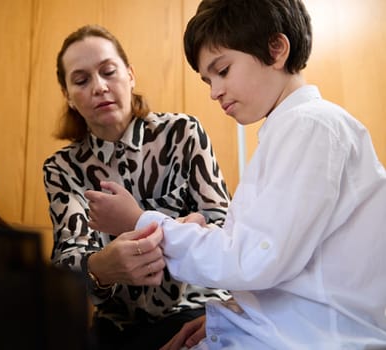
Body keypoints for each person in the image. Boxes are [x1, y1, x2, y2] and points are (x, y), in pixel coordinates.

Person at [85, 1, 386, 349]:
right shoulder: (292, 131)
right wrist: (229, 311)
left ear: (276, 50)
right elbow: (279, 260)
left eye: (223, 70)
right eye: (207, 80)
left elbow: (254, 259)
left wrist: (141, 221)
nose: (214, 92)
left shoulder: (312, 127)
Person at [43, 24, 231, 350]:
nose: (99, 87)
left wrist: (174, 229)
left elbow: (225, 225)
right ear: (68, 96)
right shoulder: (62, 169)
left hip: (196, 310)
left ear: (130, 75)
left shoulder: (182, 134)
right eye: (81, 80)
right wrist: (101, 267)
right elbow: (66, 265)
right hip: (118, 326)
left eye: (108, 71)